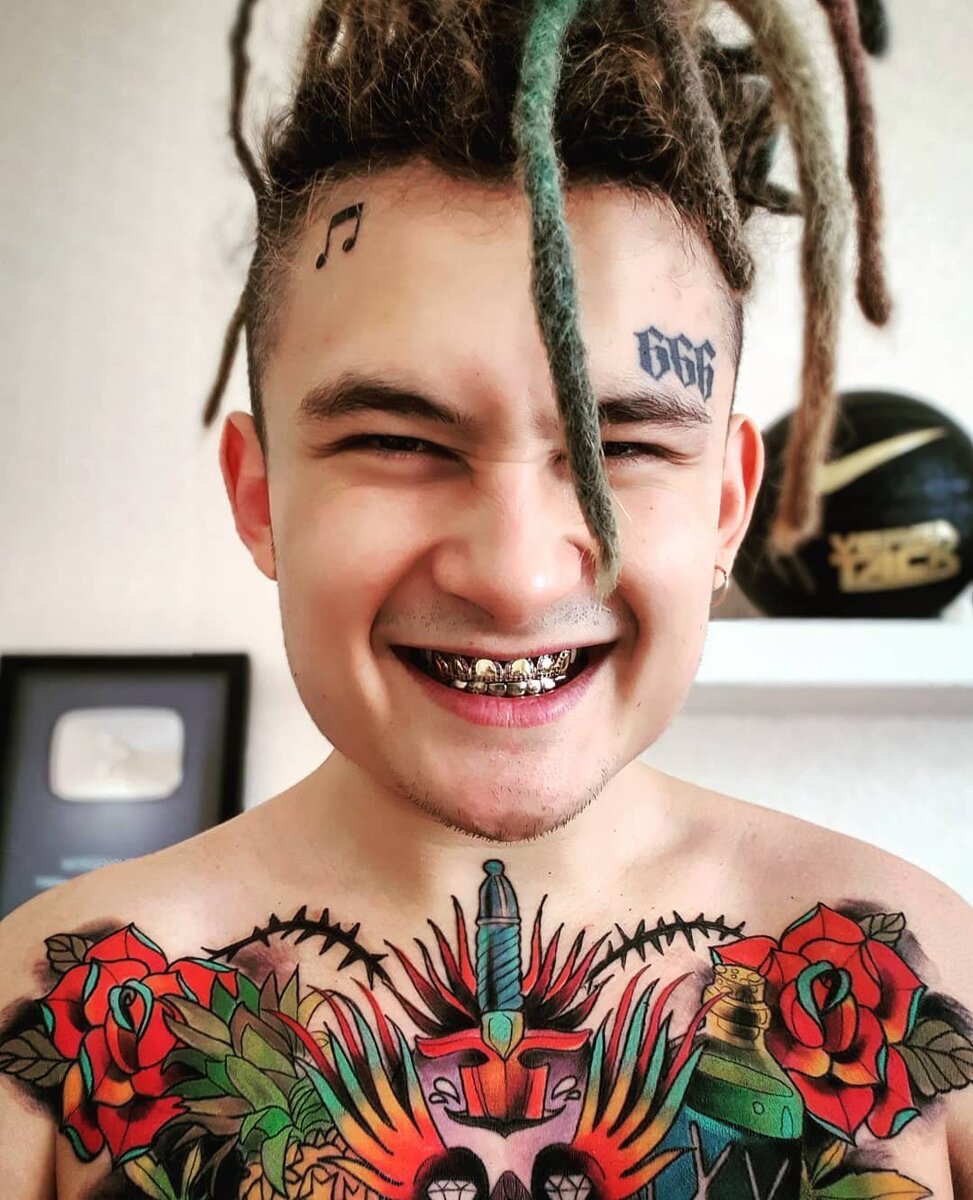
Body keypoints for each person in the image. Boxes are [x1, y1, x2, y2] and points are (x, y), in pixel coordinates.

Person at [1, 1, 971, 1197]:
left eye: (622, 447)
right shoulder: (45, 1035)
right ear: (260, 498)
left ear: (726, 507)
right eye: (399, 442)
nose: (517, 576)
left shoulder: (937, 984)